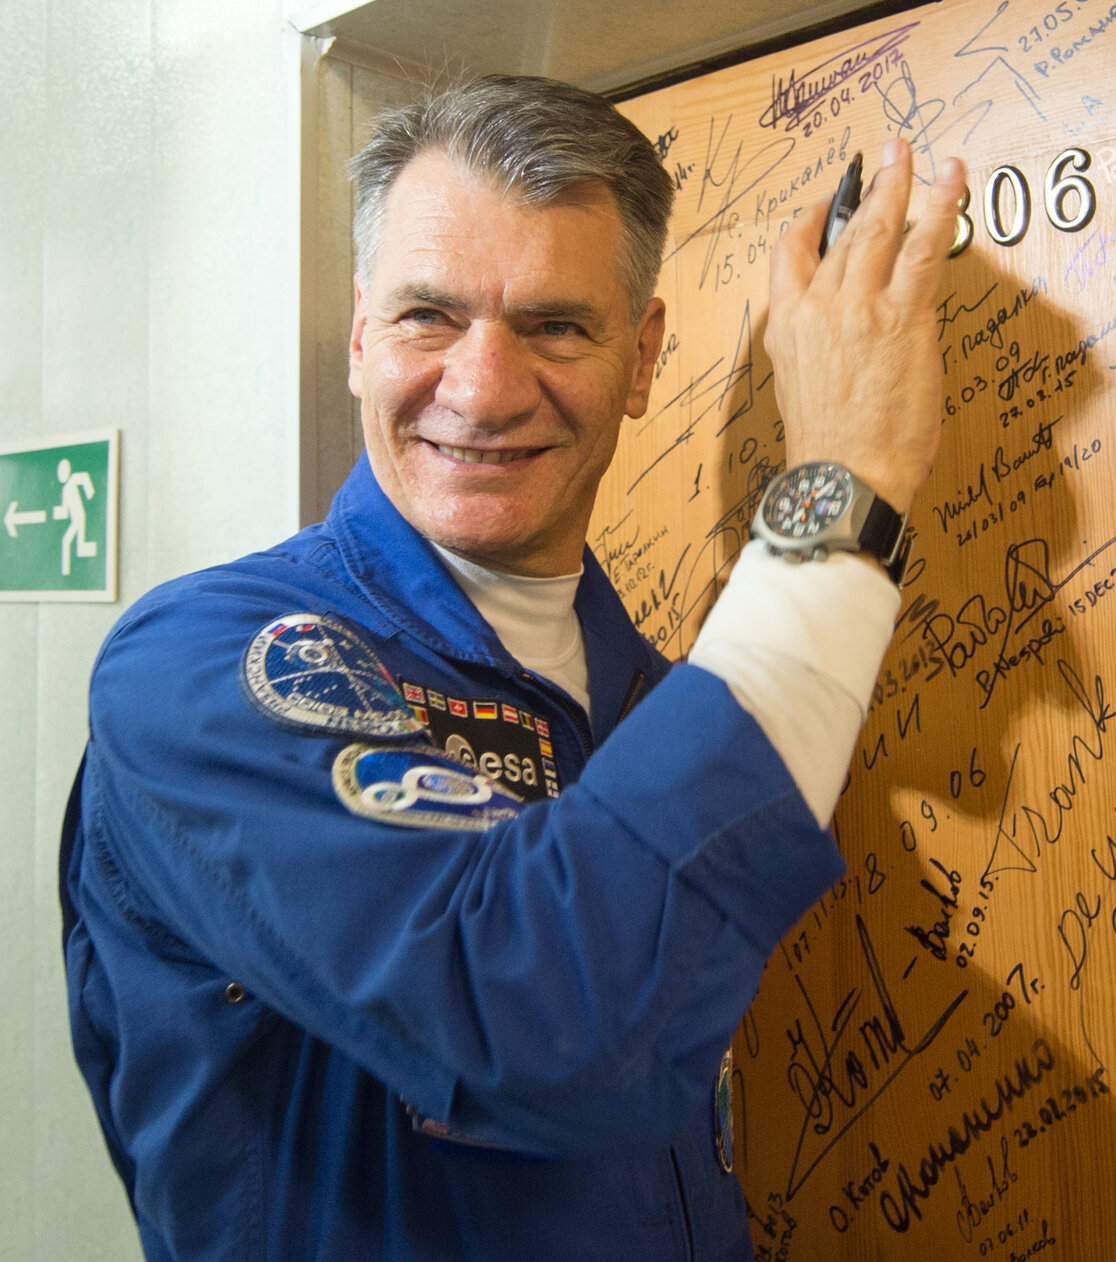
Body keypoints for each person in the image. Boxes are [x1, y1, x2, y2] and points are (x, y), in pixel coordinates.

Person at [59, 74, 965, 1260]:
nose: (480, 392)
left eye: (554, 326)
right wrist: (843, 488)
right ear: (359, 341)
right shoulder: (197, 669)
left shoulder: (653, 695)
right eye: (429, 317)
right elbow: (548, 1022)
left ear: (641, 361)